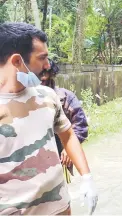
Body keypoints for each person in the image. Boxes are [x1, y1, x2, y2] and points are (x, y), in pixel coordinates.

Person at [0, 22, 98, 215]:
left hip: (60, 207)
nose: (47, 65)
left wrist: (87, 177)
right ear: (17, 61)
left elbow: (68, 135)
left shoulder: (47, 96)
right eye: (42, 58)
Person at [40, 59, 89, 182]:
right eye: (38, 73)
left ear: (52, 74)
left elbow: (80, 126)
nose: (42, 77)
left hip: (59, 153)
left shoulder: (65, 97)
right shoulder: (27, 98)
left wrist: (68, 150)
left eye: (45, 72)